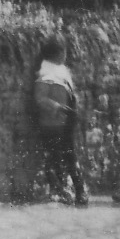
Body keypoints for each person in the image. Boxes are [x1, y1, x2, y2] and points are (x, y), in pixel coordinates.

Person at [28, 36, 87, 206]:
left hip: (65, 122)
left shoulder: (61, 72)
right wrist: (58, 107)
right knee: (55, 158)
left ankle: (78, 191)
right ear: (58, 53)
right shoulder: (46, 74)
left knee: (69, 156)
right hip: (51, 124)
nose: (65, 55)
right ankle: (63, 191)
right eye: (64, 52)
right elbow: (40, 98)